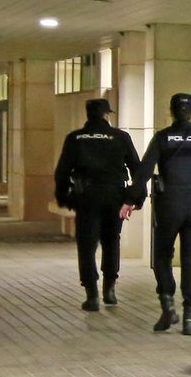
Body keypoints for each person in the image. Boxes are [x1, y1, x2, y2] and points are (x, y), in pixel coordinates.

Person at [135, 93, 191, 336]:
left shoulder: (162, 137)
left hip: (169, 205)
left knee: (163, 256)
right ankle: (190, 318)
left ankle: (168, 307)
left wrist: (131, 201)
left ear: (171, 112)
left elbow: (144, 171)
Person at [54, 98, 142, 312]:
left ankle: (91, 295)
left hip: (86, 197)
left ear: (88, 115)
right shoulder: (120, 137)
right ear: (106, 115)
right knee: (112, 241)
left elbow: (62, 172)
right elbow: (137, 169)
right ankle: (110, 289)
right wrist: (135, 198)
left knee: (87, 245)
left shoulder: (75, 138)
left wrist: (64, 198)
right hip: (114, 196)